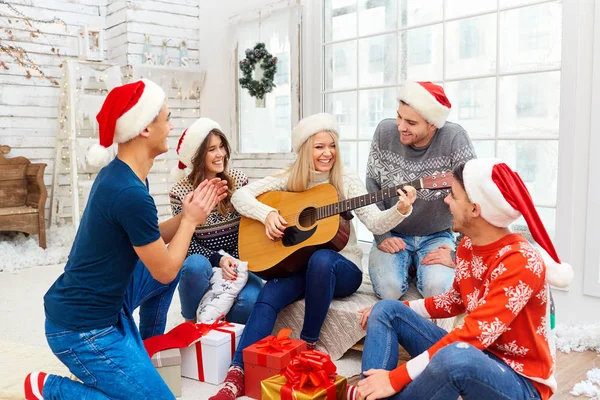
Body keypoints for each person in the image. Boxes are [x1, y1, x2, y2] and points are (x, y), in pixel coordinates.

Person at [24, 79, 228, 400]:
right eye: (166, 117)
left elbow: (148, 238)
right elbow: (166, 269)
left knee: (161, 276)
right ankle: (50, 388)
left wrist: (185, 214)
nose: (171, 125)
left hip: (107, 303)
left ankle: (145, 353)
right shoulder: (129, 192)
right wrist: (191, 221)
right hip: (81, 328)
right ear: (145, 128)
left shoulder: (122, 174)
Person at [209, 113, 418, 400]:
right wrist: (268, 213)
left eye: (331, 145)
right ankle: (237, 373)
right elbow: (240, 197)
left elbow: (375, 223)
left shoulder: (345, 178)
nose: (327, 153)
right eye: (319, 146)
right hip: (301, 267)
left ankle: (308, 345)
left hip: (342, 268)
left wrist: (401, 208)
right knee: (270, 292)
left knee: (321, 258)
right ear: (306, 148)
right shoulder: (289, 177)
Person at [355, 158, 573, 400]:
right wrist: (401, 309)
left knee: (455, 357)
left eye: (454, 196)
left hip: (520, 382)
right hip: (476, 354)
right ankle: (370, 393)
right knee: (386, 309)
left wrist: (396, 378)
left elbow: (474, 334)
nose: (446, 200)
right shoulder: (469, 245)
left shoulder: (520, 261)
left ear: (475, 209)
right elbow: (455, 300)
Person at [367, 81, 477, 300]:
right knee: (388, 290)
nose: (400, 126)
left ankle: (415, 266)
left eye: (411, 122)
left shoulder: (455, 138)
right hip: (393, 231)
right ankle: (410, 265)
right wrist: (382, 234)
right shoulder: (384, 132)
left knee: (438, 290)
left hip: (436, 234)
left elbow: (474, 196)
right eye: (399, 116)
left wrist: (459, 252)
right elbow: (373, 185)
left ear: (432, 125)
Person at [168, 117, 263, 324]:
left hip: (239, 264)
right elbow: (186, 243)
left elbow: (251, 226)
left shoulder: (238, 180)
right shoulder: (181, 192)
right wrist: (218, 259)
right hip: (206, 265)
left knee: (251, 302)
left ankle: (220, 333)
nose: (220, 154)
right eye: (212, 149)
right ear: (197, 155)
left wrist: (236, 264)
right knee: (193, 266)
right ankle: (191, 323)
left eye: (221, 147)